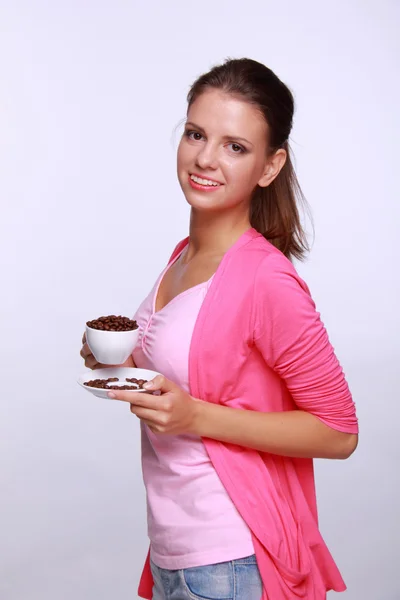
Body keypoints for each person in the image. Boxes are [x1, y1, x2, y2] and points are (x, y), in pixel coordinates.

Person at [80, 57, 358, 600]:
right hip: (173, 550)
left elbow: (340, 432)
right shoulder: (182, 256)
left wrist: (194, 416)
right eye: (195, 134)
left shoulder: (265, 279)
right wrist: (118, 362)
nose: (205, 158)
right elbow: (196, 374)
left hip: (230, 557)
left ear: (270, 166)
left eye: (235, 146)